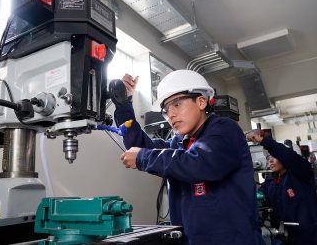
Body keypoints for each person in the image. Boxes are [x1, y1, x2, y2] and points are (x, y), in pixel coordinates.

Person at [115, 70, 264, 245]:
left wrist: (143, 157)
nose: (170, 115)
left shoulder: (225, 130)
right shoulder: (180, 142)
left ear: (201, 102)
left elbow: (200, 164)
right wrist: (124, 104)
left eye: (177, 104)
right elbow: (140, 146)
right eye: (166, 109)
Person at [246, 131, 317, 245]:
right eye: (268, 157)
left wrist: (262, 140)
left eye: (275, 157)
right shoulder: (270, 183)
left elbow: (288, 156)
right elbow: (257, 198)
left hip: (308, 237)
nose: (270, 161)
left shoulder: (301, 174)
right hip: (284, 238)